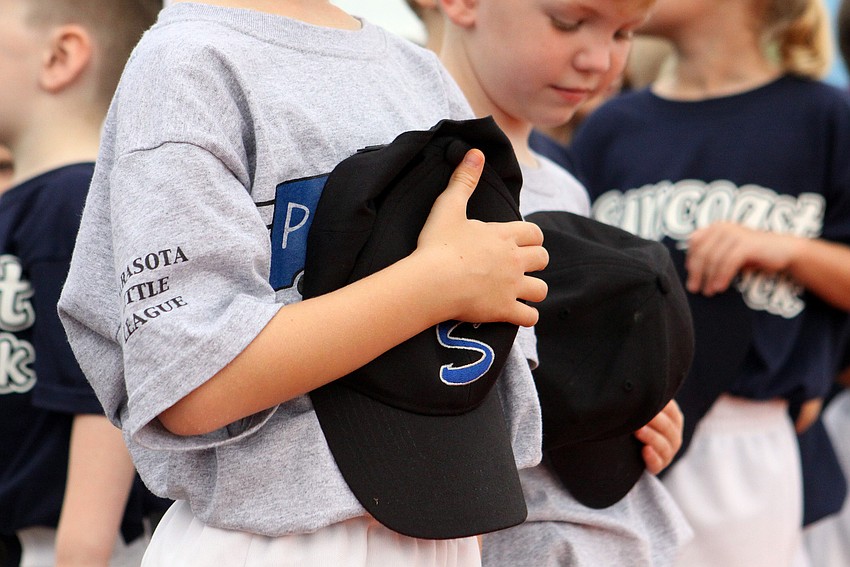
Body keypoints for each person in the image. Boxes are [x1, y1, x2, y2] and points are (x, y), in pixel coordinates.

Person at [56, 1, 550, 565]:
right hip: (271, 541)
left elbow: (497, 348)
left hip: (442, 524)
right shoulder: (188, 65)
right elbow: (193, 385)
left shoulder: (419, 72)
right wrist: (432, 284)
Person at [569, 0, 850, 564]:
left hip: (751, 441)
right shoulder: (610, 127)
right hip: (621, 433)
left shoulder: (824, 116)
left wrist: (791, 251)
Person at [435, 0, 693, 565]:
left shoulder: (568, 189)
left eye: (625, 33)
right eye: (568, 23)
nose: (598, 59)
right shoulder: (418, 176)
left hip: (603, 523)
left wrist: (636, 408)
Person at [0, 1, 165, 566]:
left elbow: (103, 392)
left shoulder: (72, 203)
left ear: (60, 56)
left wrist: (80, 549)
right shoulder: (35, 204)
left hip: (63, 545)